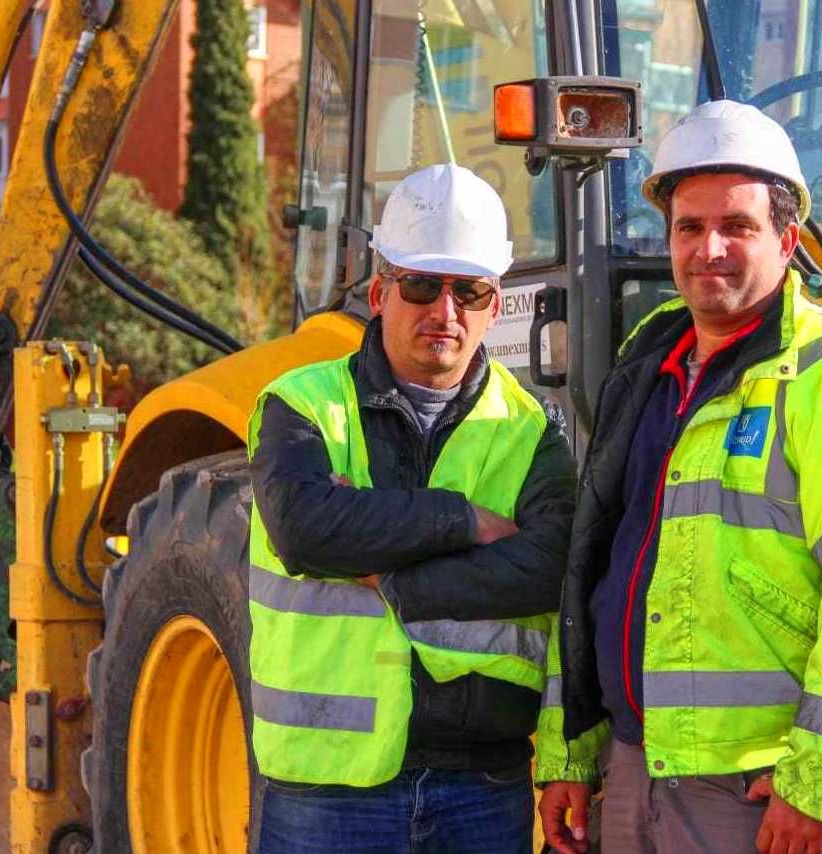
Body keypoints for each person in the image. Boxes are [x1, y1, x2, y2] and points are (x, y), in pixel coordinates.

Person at [536, 100, 822, 854]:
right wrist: (571, 753)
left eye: (737, 227)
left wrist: (815, 783)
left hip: (753, 791)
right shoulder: (647, 369)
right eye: (689, 227)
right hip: (631, 768)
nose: (708, 248)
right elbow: (594, 569)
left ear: (786, 241)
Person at [247, 164, 575, 853]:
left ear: (495, 305)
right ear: (380, 293)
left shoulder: (531, 430)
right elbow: (304, 530)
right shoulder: (303, 404)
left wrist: (387, 572)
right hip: (327, 787)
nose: (445, 312)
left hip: (480, 783)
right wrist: (465, 521)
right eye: (423, 286)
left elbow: (550, 565)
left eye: (469, 291)